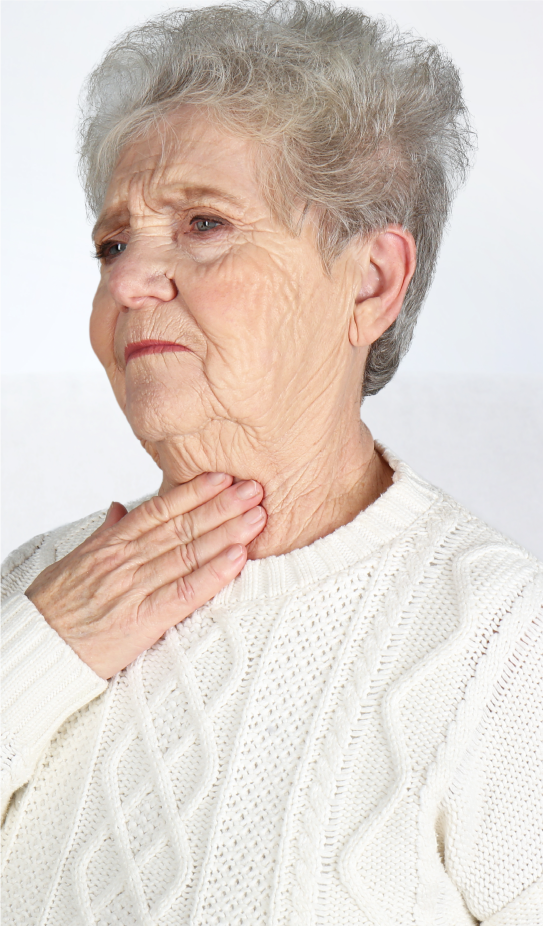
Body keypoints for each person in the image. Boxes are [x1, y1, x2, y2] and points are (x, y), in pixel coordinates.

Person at [0, 1, 541, 923]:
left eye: (204, 224)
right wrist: (31, 657)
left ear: (369, 282)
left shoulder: (500, 643)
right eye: (112, 243)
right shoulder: (38, 587)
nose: (126, 282)